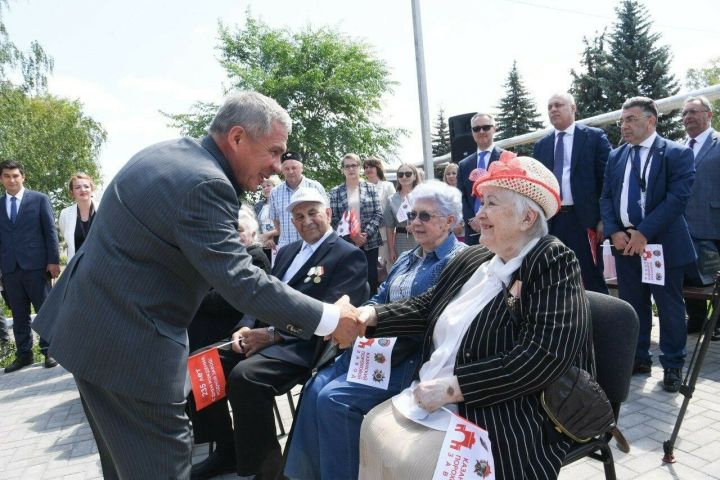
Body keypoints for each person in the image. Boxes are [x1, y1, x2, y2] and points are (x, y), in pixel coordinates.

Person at [31, 92, 360, 479]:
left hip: (90, 333)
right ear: (237, 137)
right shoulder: (206, 183)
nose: (276, 166)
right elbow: (241, 280)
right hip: (132, 351)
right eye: (273, 151)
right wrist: (330, 317)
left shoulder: (166, 153)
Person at [357, 156, 593, 480]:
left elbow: (543, 354)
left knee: (413, 464)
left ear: (526, 218)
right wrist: (369, 315)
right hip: (436, 398)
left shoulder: (551, 261)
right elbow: (428, 307)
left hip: (502, 410)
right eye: (481, 203)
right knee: (372, 425)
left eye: (491, 204)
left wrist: (454, 388)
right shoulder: (477, 256)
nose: (478, 214)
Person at [285, 180, 467, 480]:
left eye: (425, 216)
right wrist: (356, 316)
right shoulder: (408, 258)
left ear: (449, 220)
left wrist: (367, 320)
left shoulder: (456, 261)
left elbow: (429, 317)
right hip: (377, 350)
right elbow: (378, 297)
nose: (415, 223)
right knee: (315, 387)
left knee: (334, 400)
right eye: (412, 216)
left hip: (412, 358)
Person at [189, 188, 368, 480]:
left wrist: (273, 335)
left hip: (306, 345)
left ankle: (268, 471)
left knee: (245, 377)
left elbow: (336, 318)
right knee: (202, 365)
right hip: (266, 336)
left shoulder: (349, 255)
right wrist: (244, 326)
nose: (306, 220)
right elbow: (259, 296)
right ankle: (227, 450)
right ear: (292, 222)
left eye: (313, 213)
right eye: (299, 216)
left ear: (328, 214)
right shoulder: (285, 252)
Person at [600, 96, 695, 393]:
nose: (624, 125)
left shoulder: (676, 154)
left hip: (661, 246)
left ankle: (672, 365)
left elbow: (676, 200)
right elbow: (606, 198)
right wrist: (615, 232)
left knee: (669, 307)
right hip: (626, 246)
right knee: (633, 305)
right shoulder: (616, 156)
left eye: (631, 119)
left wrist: (643, 232)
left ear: (651, 120)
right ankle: (638, 358)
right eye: (622, 120)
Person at [533, 93, 612, 293]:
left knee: (591, 275)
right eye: (549, 107)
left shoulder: (594, 137)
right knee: (556, 275)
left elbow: (608, 181)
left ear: (573, 108)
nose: (553, 110)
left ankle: (599, 323)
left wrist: (603, 218)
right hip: (554, 221)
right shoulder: (541, 146)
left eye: (558, 105)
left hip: (585, 220)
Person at [0, 160, 60, 373]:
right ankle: (24, 354)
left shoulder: (39, 199)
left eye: (15, 175)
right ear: (1, 179)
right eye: (7, 176)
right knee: (18, 314)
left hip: (37, 266)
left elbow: (50, 232)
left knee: (44, 310)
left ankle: (50, 350)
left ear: (23, 177)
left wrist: (53, 260)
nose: (12, 179)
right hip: (9, 269)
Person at [187, 206, 271, 352]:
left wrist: (195, 297)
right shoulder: (227, 255)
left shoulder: (256, 258)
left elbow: (230, 296)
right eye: (229, 230)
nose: (233, 235)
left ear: (252, 233)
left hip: (231, 326)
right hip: (208, 318)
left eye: (239, 230)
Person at [681, 96, 720, 339]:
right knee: (688, 276)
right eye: (684, 113)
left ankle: (717, 324)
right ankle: (695, 319)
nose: (688, 117)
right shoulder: (680, 146)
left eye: (694, 112)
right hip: (683, 225)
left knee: (715, 274)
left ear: (709, 115)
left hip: (713, 223)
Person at [329, 153, 384, 295]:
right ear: (342, 169)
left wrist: (365, 234)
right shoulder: (335, 192)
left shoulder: (371, 188)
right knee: (350, 279)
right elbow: (334, 218)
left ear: (359, 167)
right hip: (346, 243)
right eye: (347, 166)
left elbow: (378, 213)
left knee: (371, 278)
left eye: (354, 165)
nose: (351, 169)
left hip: (370, 241)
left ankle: (371, 309)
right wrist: (352, 236)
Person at [457, 113, 505, 245]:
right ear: (472, 132)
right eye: (476, 129)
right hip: (473, 230)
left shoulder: (505, 158)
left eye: (486, 127)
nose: (481, 131)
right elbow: (462, 197)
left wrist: (489, 218)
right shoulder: (464, 165)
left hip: (498, 228)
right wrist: (472, 219)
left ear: (494, 129)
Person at [269, 151, 327, 249]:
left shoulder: (315, 187)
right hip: (287, 248)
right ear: (282, 170)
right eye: (286, 168)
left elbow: (326, 216)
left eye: (294, 168)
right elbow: (276, 222)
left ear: (302, 168)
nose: (290, 171)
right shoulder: (274, 192)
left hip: (313, 246)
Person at [363, 156, 396, 267]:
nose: (368, 169)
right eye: (366, 167)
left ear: (378, 168)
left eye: (371, 166)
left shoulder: (388, 186)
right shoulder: (360, 187)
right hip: (366, 237)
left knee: (386, 268)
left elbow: (393, 210)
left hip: (384, 235)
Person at [58, 172, 99, 261]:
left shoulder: (103, 209)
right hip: (77, 267)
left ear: (92, 190)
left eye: (86, 186)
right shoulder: (65, 214)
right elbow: (64, 233)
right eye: (77, 187)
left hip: (101, 265)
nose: (83, 190)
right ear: (72, 193)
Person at [385, 163, 419, 263]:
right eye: (401, 174)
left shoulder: (422, 196)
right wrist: (391, 250)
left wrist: (417, 226)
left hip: (420, 239)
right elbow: (389, 227)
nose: (404, 177)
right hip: (400, 241)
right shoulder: (391, 199)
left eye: (408, 174)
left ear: (414, 176)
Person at [254, 175, 281, 262]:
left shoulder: (282, 203)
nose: (265, 188)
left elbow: (285, 225)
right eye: (263, 187)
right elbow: (255, 225)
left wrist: (269, 237)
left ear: (276, 186)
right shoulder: (258, 206)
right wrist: (263, 238)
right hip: (262, 244)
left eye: (268, 185)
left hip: (279, 244)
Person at [442, 162, 465, 241]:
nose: (451, 176)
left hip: (463, 231)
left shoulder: (465, 190)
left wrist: (461, 224)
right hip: (447, 231)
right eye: (448, 174)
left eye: (454, 173)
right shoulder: (442, 192)